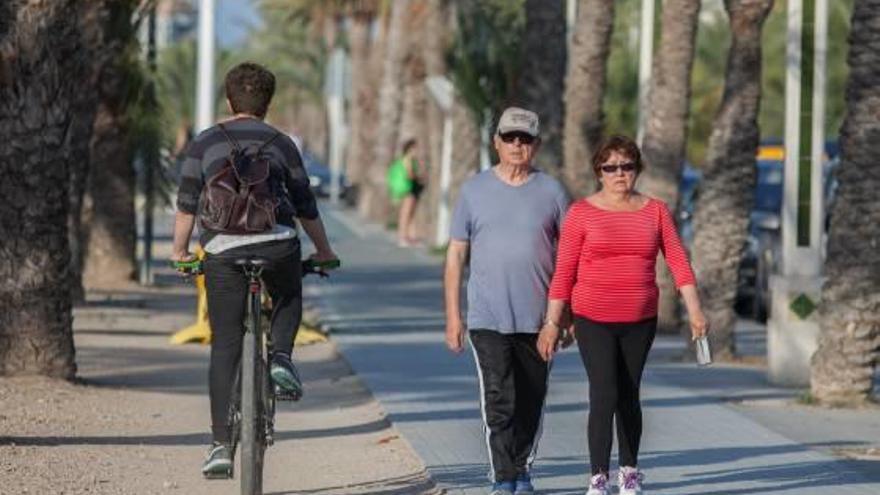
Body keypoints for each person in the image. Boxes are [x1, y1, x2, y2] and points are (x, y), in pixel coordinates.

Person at [170, 62, 338, 478]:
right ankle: (280, 356)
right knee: (289, 291)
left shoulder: (204, 143)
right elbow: (304, 205)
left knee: (225, 343)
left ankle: (219, 445)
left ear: (229, 100)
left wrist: (180, 252)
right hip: (276, 244)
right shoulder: (282, 143)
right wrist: (323, 250)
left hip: (222, 252)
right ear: (268, 102)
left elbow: (187, 204)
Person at [538, 135, 709, 495]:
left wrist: (695, 311)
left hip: (640, 318)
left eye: (626, 166)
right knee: (604, 392)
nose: (619, 174)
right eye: (610, 167)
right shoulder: (581, 213)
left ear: (637, 170)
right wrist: (553, 323)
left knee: (629, 393)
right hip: (591, 317)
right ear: (599, 172)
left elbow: (678, 260)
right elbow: (564, 271)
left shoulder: (656, 211)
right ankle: (597, 476)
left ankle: (629, 472)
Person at [444, 107, 571, 495]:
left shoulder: (552, 192)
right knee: (499, 398)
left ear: (536, 145)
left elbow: (569, 257)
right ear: (496, 141)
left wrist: (567, 316)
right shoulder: (474, 190)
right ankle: (504, 476)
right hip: (487, 317)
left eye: (525, 139)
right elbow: (455, 256)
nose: (517, 145)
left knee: (530, 401)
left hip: (539, 320)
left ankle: (522, 470)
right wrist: (454, 316)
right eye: (510, 137)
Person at [387, 138, 424, 246]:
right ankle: (402, 237)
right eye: (415, 149)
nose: (417, 151)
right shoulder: (407, 160)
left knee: (411, 214)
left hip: (410, 190)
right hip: (407, 190)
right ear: (409, 149)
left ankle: (410, 237)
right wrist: (419, 178)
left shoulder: (411, 160)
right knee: (406, 214)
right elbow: (409, 175)